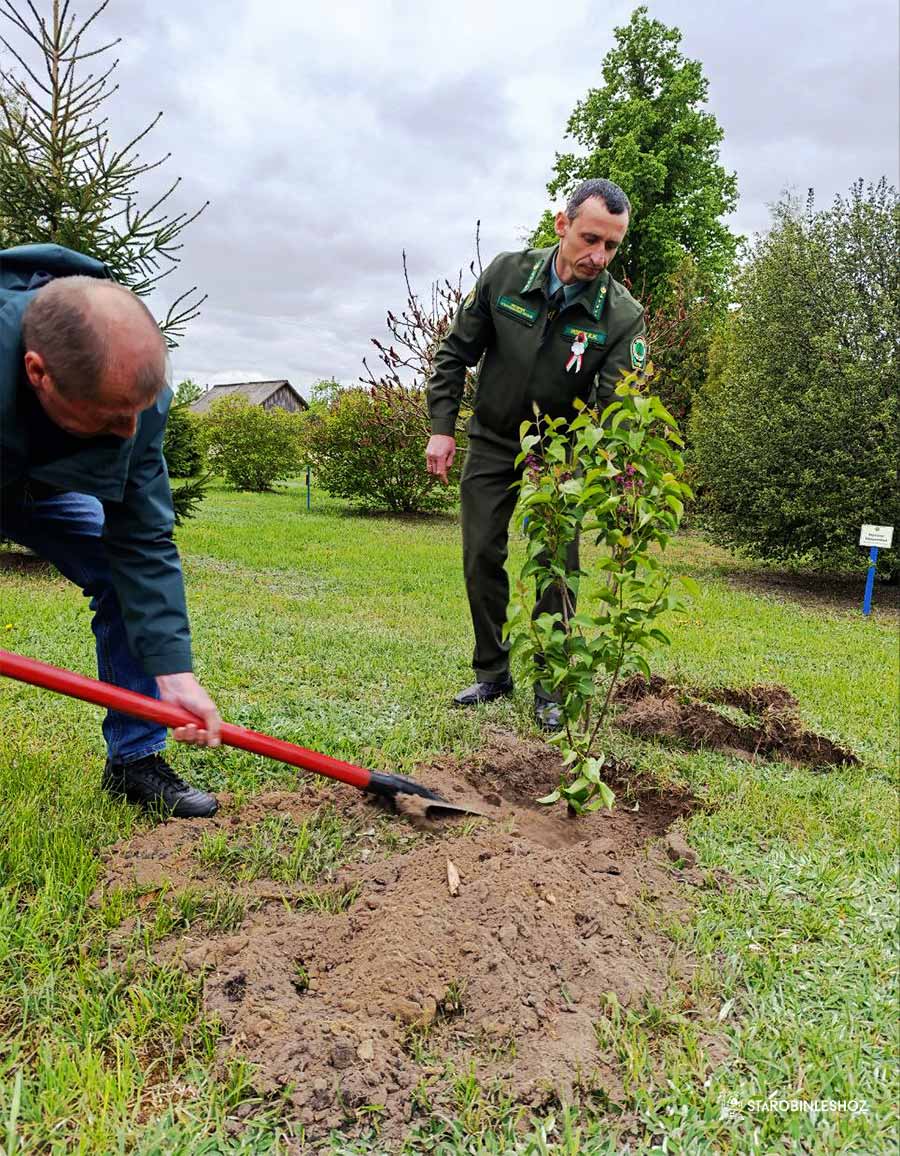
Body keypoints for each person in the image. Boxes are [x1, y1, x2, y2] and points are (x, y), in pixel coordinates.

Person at [1, 243, 221, 817]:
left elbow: (143, 538)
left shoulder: (134, 397)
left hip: (44, 488)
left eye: (138, 413)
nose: (130, 432)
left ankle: (135, 760)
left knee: (120, 579)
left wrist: (173, 670)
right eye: (109, 416)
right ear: (37, 373)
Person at [425, 179, 647, 730]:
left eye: (612, 246)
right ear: (561, 225)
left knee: (555, 566)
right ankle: (492, 671)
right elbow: (456, 353)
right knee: (481, 554)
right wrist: (442, 427)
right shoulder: (505, 274)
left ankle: (550, 686)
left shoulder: (620, 316)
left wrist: (614, 468)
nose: (599, 256)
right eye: (591, 238)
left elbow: (617, 404)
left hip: (562, 454)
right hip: (495, 439)